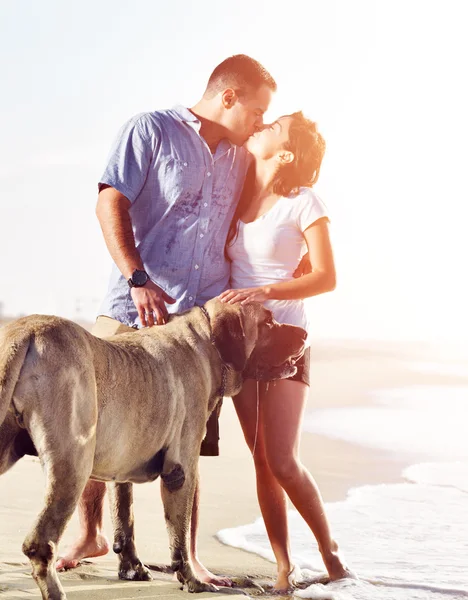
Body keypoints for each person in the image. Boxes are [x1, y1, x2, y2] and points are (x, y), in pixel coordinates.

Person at [55, 54, 277, 587]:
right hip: (134, 309)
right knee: (94, 423)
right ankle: (89, 532)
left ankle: (188, 553)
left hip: (201, 329)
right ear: (228, 97)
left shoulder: (243, 158)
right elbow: (111, 201)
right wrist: (137, 276)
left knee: (188, 442)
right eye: (257, 111)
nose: (260, 122)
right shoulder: (150, 129)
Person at [219, 112, 354, 592]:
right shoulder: (237, 197)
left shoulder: (304, 202)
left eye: (272, 126)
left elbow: (326, 276)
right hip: (239, 342)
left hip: (284, 340)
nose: (261, 127)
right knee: (260, 459)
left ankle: (330, 554)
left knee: (281, 459)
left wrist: (265, 292)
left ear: (287, 152)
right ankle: (283, 565)